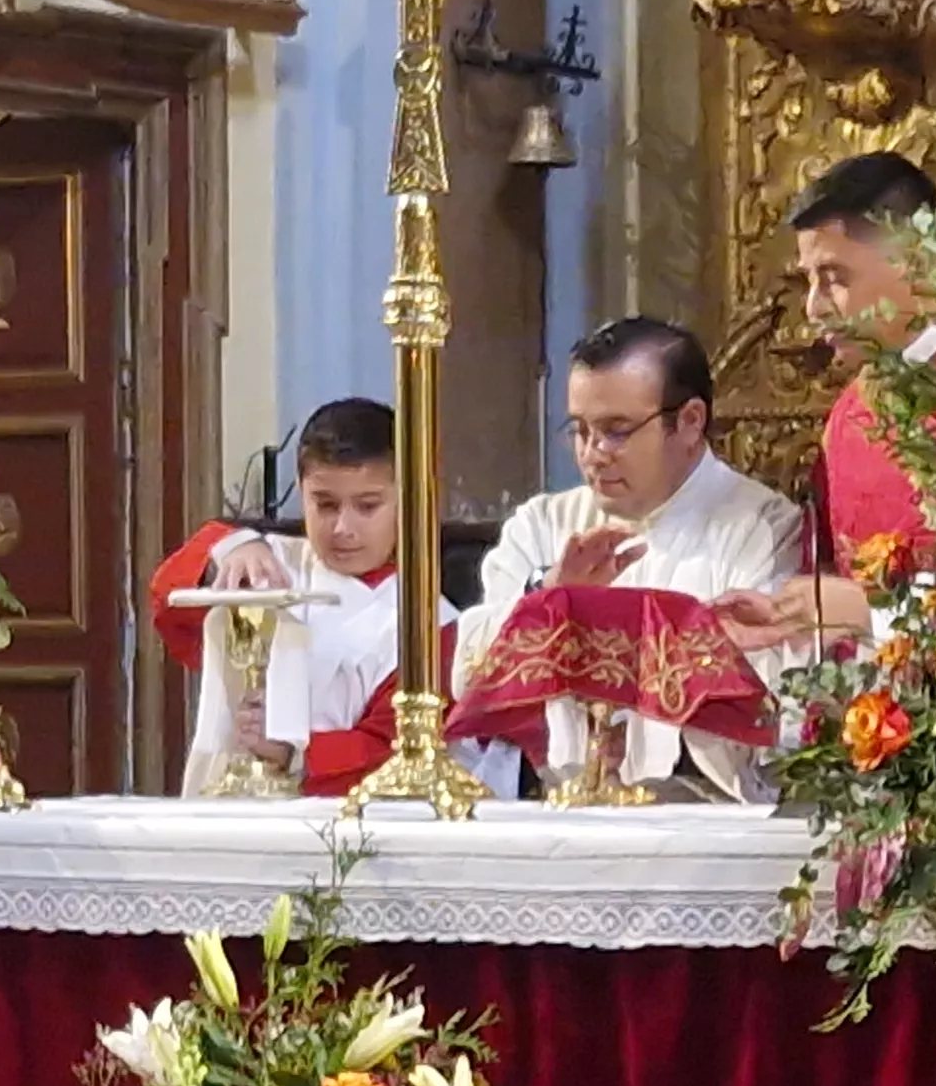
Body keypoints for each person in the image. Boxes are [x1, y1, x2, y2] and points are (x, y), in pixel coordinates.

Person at [461, 318, 807, 801]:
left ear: (689, 422)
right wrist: (547, 599)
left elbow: (777, 703)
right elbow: (468, 674)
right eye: (580, 431)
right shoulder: (541, 526)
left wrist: (655, 740)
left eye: (616, 431)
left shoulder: (763, 527)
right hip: (557, 815)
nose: (593, 455)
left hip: (697, 826)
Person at [149, 398, 466, 799]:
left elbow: (394, 748)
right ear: (301, 490)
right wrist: (230, 546)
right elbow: (168, 601)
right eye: (325, 504)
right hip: (226, 801)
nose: (343, 528)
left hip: (342, 817)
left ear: (410, 498)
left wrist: (293, 750)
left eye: (367, 506)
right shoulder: (271, 564)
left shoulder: (429, 622)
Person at [713, 152, 936, 656]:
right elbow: (829, 585)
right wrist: (786, 617)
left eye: (835, 278)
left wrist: (870, 616)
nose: (813, 308)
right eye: (809, 281)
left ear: (919, 264)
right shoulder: (852, 412)